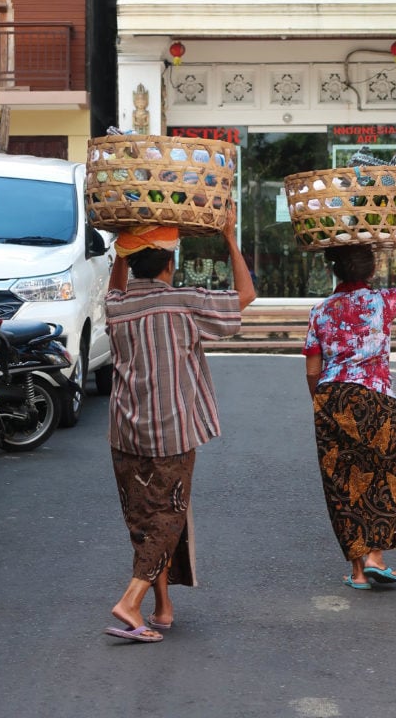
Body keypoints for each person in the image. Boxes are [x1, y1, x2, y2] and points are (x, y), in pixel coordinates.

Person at [103, 208, 256, 643]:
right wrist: (229, 236)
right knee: (167, 517)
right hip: (170, 432)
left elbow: (116, 286)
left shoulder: (118, 306)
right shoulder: (184, 301)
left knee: (144, 520)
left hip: (124, 432)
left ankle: (163, 607)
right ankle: (130, 602)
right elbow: (245, 295)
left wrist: (122, 241)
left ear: (130, 261)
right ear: (170, 264)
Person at [303, 235, 396, 590]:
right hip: (376, 398)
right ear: (372, 270)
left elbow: (313, 370)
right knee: (384, 474)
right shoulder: (383, 301)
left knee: (342, 482)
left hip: (332, 398)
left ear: (335, 271)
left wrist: (322, 403)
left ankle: (358, 570)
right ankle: (377, 556)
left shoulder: (320, 311)